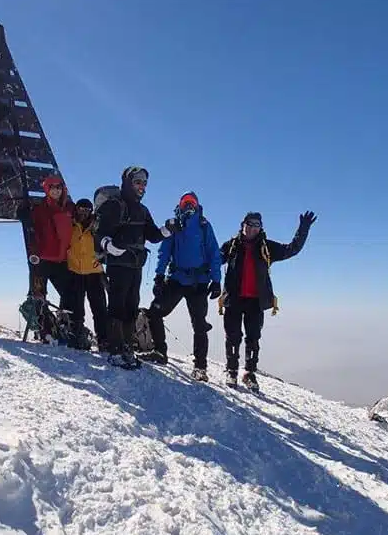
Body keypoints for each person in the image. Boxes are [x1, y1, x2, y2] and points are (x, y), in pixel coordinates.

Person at [220, 210, 316, 389]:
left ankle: (249, 373)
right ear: (243, 225)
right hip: (234, 299)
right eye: (250, 224)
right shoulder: (231, 246)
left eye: (257, 225)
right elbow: (213, 260)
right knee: (233, 337)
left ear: (260, 228)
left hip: (256, 302)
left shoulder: (267, 247)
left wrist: (303, 229)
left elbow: (291, 249)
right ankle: (231, 371)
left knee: (253, 338)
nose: (252, 228)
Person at [93, 166, 176, 369]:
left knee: (131, 307)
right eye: (137, 182)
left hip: (135, 265)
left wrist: (169, 229)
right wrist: (110, 247)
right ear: (128, 183)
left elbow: (153, 235)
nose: (142, 187)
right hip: (118, 265)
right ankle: (115, 351)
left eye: (144, 183)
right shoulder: (114, 205)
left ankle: (127, 348)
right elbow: (99, 234)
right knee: (116, 306)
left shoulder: (142, 210)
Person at [145, 191, 222, 380]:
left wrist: (217, 280)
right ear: (180, 206)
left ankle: (200, 367)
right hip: (177, 279)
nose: (189, 207)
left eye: (192, 204)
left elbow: (214, 253)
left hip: (199, 282)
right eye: (185, 203)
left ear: (197, 206)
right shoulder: (174, 225)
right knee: (155, 312)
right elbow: (164, 252)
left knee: (199, 325)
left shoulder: (204, 226)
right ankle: (160, 351)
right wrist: (158, 276)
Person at [17, 175, 75, 341]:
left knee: (70, 295)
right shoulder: (39, 209)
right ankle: (45, 332)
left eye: (58, 187)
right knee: (38, 296)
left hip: (62, 261)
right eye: (52, 187)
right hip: (42, 261)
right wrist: (22, 214)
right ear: (47, 190)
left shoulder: (69, 208)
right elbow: (28, 222)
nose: (56, 190)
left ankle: (63, 327)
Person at [66, 198, 108, 350]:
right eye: (80, 209)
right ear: (76, 209)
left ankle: (104, 339)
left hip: (94, 272)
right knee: (77, 308)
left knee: (100, 308)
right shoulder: (70, 224)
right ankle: (78, 336)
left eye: (87, 210)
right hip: (75, 271)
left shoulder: (97, 226)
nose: (83, 212)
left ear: (91, 211)